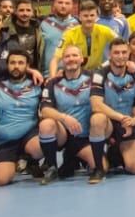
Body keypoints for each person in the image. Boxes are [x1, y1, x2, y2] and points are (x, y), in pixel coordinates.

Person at [38, 44, 102, 184]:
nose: (71, 59)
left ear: (81, 59)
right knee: (46, 124)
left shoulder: (93, 78)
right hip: (64, 135)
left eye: (75, 55)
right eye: (67, 56)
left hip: (86, 136)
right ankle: (52, 167)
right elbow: (44, 109)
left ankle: (73, 158)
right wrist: (64, 118)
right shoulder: (53, 82)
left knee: (102, 166)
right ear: (62, 60)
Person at [0, 49, 50, 186]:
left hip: (28, 136)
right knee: (0, 180)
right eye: (12, 63)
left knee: (47, 140)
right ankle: (13, 162)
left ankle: (29, 159)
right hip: (3, 141)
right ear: (6, 65)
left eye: (21, 63)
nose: (16, 66)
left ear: (27, 66)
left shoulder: (37, 84)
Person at [91, 39, 135, 177]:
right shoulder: (100, 73)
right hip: (109, 123)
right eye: (116, 52)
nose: (120, 56)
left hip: (129, 122)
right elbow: (96, 104)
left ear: (129, 53)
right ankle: (99, 167)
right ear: (110, 55)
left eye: (124, 52)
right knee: (97, 119)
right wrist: (122, 118)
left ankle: (115, 152)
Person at [53, 0, 113, 75]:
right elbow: (55, 59)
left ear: (97, 16)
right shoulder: (69, 34)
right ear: (80, 17)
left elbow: (123, 44)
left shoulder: (105, 30)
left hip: (98, 72)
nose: (89, 18)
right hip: (75, 73)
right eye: (85, 16)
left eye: (92, 15)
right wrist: (52, 79)